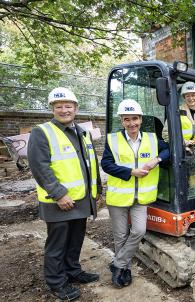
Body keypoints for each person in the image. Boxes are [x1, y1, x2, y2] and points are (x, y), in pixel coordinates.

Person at [27, 87, 102, 300]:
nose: (64, 110)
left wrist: (96, 190)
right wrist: (59, 194)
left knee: (75, 240)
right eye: (59, 106)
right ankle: (56, 282)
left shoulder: (82, 132)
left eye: (68, 106)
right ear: (52, 108)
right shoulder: (42, 132)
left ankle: (72, 271)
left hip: (80, 199)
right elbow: (40, 167)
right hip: (59, 201)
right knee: (57, 244)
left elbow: (90, 164)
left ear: (75, 108)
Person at [101, 99, 169, 288]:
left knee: (139, 231)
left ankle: (117, 264)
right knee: (121, 236)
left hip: (141, 198)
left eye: (135, 119)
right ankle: (125, 270)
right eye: (127, 119)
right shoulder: (113, 140)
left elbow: (168, 151)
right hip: (119, 198)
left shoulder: (152, 138)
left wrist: (156, 159)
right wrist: (131, 172)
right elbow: (106, 164)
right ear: (122, 121)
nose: (132, 123)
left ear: (141, 119)